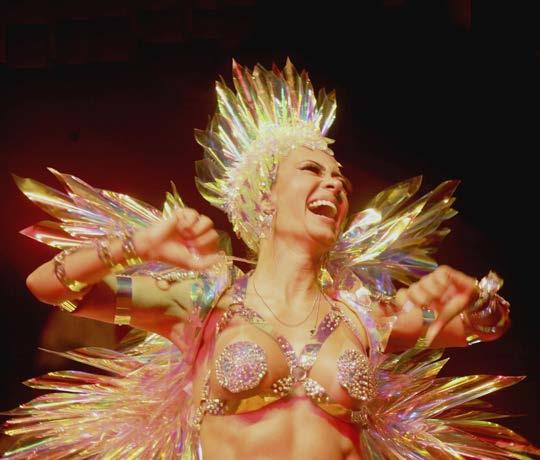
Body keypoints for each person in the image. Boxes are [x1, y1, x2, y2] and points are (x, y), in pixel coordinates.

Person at [3, 60, 538, 459]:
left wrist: (480, 298)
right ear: (265, 198)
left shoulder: (364, 316)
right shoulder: (203, 304)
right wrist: (137, 245)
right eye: (312, 171)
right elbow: (50, 287)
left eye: (341, 180)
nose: (335, 184)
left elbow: (482, 327)